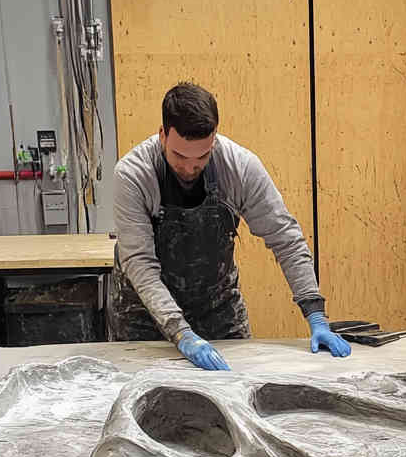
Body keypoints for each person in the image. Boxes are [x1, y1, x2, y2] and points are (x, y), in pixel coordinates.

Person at [107, 81, 350, 368]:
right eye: (180, 156)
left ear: (214, 139)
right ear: (163, 135)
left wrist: (315, 314)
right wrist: (181, 333)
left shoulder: (239, 167)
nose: (190, 167)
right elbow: (139, 263)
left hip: (218, 312)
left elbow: (285, 238)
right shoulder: (133, 175)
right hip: (144, 318)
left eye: (202, 156)